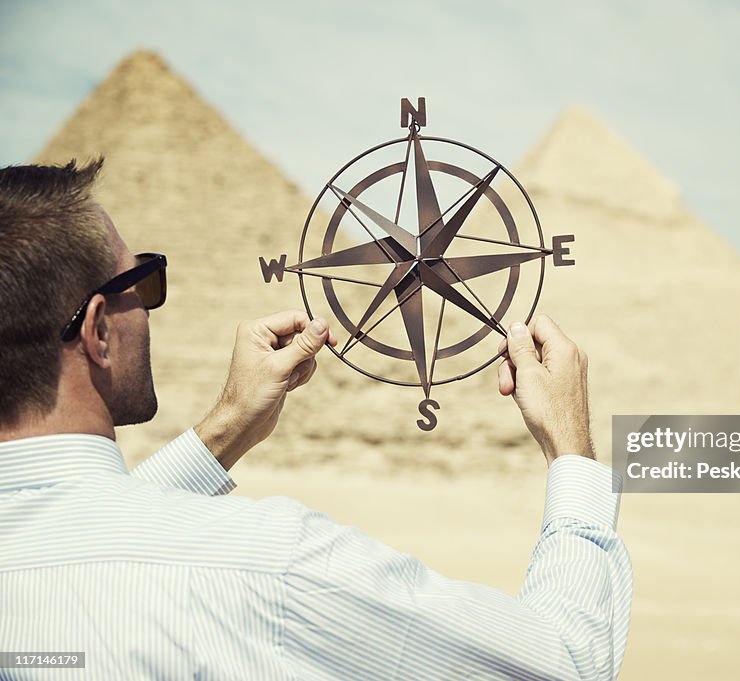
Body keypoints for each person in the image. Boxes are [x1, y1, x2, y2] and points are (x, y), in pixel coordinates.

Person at [0, 160, 632, 680]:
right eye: (144, 284)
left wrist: (226, 429)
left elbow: (95, 545)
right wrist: (572, 453)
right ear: (99, 332)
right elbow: (563, 665)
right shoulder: (271, 565)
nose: (151, 310)